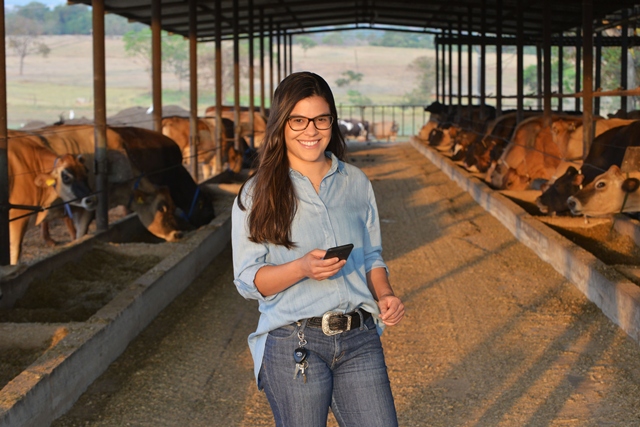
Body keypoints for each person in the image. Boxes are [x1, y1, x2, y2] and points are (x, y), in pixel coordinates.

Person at [231, 71, 405, 427]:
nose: (311, 130)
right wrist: (301, 269)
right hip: (295, 343)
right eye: (298, 120)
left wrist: (385, 294)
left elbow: (371, 255)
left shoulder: (355, 181)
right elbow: (248, 281)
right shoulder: (257, 193)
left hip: (360, 338)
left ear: (332, 122)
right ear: (281, 124)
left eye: (320, 119)